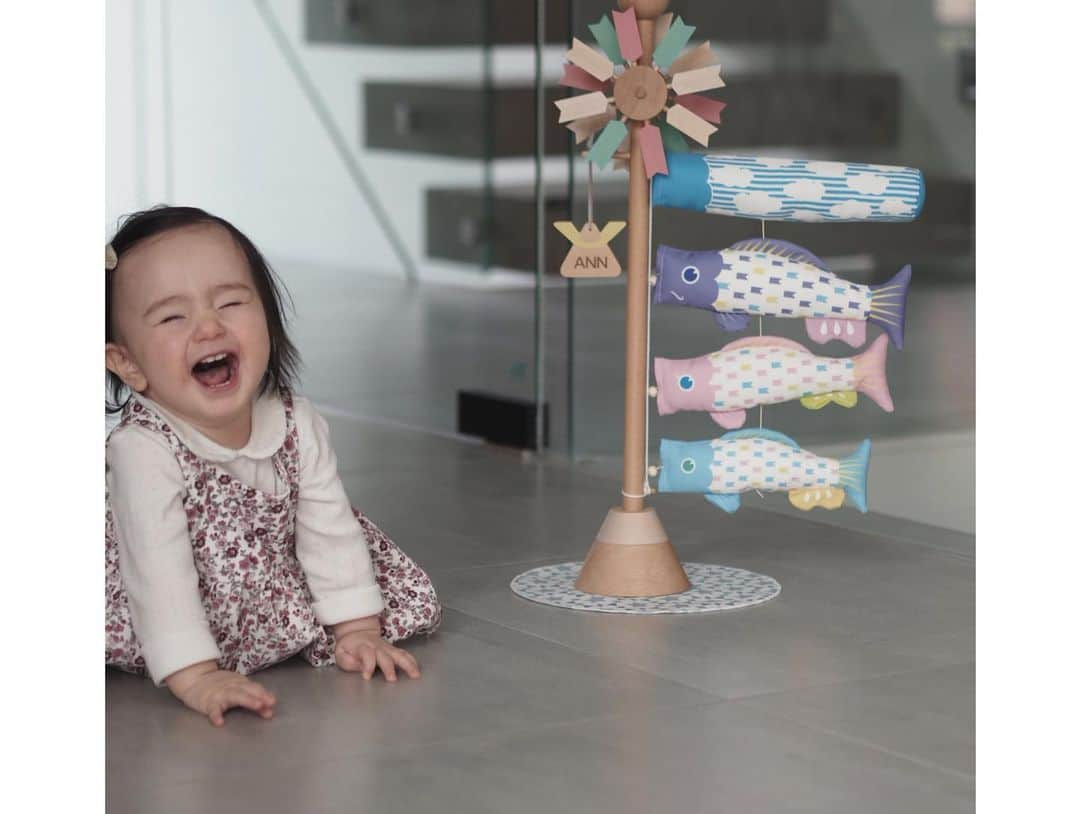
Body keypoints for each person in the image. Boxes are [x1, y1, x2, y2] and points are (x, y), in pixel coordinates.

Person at [105, 206, 441, 726]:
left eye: (232, 302)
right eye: (173, 317)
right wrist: (195, 674)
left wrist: (357, 631)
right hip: (149, 604)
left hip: (259, 597)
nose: (208, 326)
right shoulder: (143, 450)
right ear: (127, 363)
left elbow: (330, 533)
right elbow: (157, 575)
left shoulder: (296, 423)